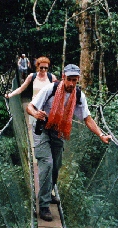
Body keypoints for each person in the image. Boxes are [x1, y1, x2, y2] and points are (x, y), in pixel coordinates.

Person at [26, 64, 112, 222]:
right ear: (63, 77)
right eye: (69, 79)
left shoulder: (79, 95)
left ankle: (48, 191)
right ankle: (44, 206)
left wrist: (101, 135)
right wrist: (36, 113)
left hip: (58, 130)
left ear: (78, 80)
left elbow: (87, 118)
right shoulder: (50, 89)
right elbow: (30, 107)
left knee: (56, 165)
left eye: (75, 80)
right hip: (42, 129)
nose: (72, 84)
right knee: (47, 163)